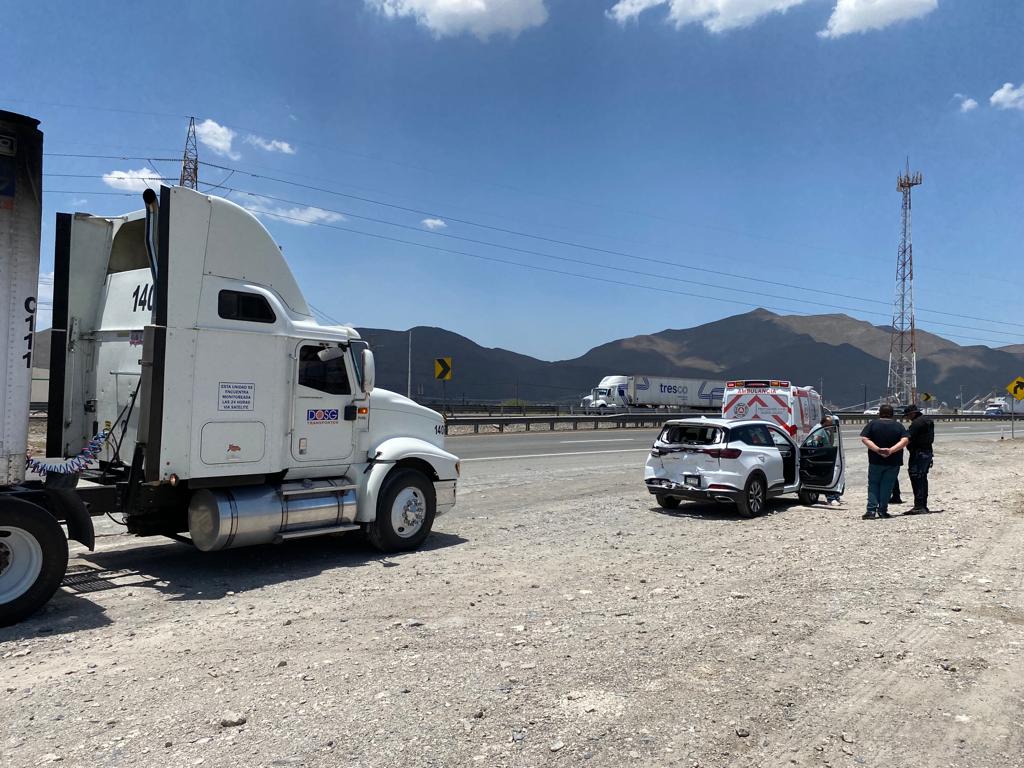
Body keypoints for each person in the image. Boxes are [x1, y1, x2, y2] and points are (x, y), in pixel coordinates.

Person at [859, 404, 909, 520]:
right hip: (893, 461)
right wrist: (891, 450)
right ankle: (883, 510)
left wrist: (877, 449)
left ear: (879, 413)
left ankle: (871, 511)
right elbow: (905, 440)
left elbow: (864, 438)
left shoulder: (873, 424)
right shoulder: (898, 426)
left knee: (873, 485)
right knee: (887, 486)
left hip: (875, 460)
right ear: (892, 414)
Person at [903, 403, 934, 514]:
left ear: (912, 413)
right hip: (927, 452)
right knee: (922, 478)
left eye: (907, 415)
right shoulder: (927, 420)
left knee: (916, 478)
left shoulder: (916, 424)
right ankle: (922, 504)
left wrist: (893, 449)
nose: (907, 418)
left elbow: (908, 438)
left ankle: (919, 505)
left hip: (918, 453)